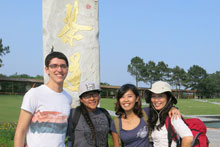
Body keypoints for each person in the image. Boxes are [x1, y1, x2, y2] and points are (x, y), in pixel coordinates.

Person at [14, 51, 72, 147]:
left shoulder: (68, 98)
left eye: (63, 66)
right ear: (46, 69)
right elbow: (21, 131)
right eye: (54, 66)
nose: (59, 69)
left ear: (67, 69)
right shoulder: (34, 94)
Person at [111, 84, 180, 147]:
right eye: (122, 97)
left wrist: (172, 108)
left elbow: (163, 107)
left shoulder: (146, 113)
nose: (126, 100)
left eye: (129, 96)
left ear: (137, 99)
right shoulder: (116, 123)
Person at [145, 81, 193, 147]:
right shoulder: (154, 115)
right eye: (153, 96)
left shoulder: (173, 116)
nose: (156, 100)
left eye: (160, 96)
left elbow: (188, 138)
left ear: (168, 98)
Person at [66, 82, 112, 147]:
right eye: (87, 96)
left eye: (95, 94)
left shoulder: (104, 113)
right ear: (81, 99)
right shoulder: (73, 114)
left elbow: (116, 132)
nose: (92, 98)